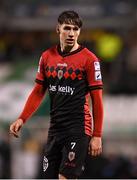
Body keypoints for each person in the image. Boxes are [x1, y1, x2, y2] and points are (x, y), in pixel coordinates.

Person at [10, 10, 104, 179]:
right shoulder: (46, 57)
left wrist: (97, 135)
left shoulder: (90, 60)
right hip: (55, 129)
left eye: (75, 29)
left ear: (79, 32)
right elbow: (38, 92)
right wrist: (22, 118)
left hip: (78, 128)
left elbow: (97, 101)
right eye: (67, 28)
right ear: (58, 29)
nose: (71, 33)